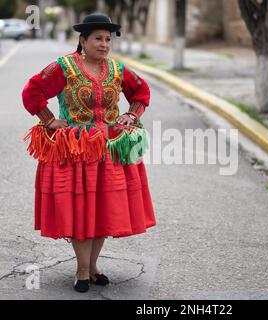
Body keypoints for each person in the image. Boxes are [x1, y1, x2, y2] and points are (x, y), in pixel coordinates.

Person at [21, 13, 156, 293]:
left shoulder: (117, 70)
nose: (104, 44)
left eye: (108, 39)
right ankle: (82, 270)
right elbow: (32, 91)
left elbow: (141, 91)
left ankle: (93, 268)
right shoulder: (64, 67)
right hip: (74, 151)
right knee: (81, 213)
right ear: (83, 40)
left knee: (101, 211)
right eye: (98, 38)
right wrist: (48, 119)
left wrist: (131, 114)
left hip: (108, 150)